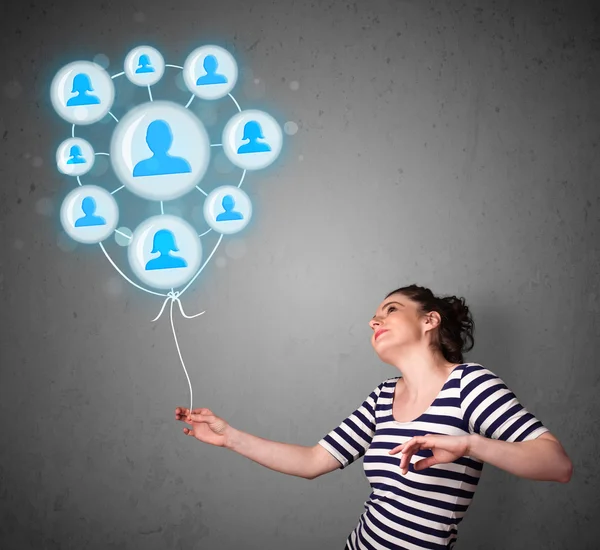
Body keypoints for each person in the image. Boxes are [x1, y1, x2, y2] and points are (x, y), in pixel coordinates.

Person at [175, 284, 573, 549]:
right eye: (373, 317)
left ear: (429, 320)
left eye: (391, 309)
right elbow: (313, 461)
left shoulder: (470, 384)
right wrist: (229, 436)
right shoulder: (382, 397)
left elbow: (557, 465)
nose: (374, 320)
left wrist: (471, 444)